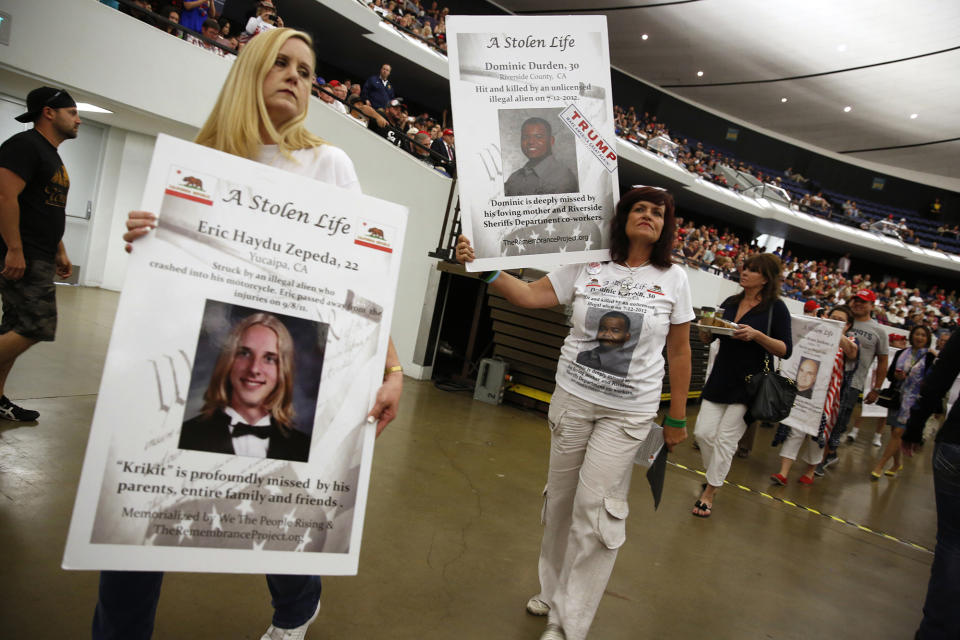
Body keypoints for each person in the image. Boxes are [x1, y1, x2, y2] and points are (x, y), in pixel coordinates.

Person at [95, 28, 403, 640]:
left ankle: (295, 610)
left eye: (307, 72)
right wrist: (145, 237)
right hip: (194, 358)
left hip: (293, 348)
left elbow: (367, 274)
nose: (295, 75)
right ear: (249, 72)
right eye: (281, 63)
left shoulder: (327, 163)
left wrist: (392, 370)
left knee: (281, 497)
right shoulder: (197, 162)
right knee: (134, 522)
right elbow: (169, 283)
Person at [456, 185, 694, 640]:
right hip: (572, 400)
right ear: (622, 217)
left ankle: (568, 623)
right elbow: (528, 295)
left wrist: (677, 418)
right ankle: (552, 590)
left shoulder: (674, 279)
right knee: (562, 502)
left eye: (657, 213)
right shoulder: (589, 261)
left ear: (666, 226)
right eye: (639, 209)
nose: (648, 216)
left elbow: (680, 353)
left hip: (629, 413)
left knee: (596, 510)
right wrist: (483, 270)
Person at [693, 253, 792, 517]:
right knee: (703, 433)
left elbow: (785, 349)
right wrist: (705, 329)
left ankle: (710, 491)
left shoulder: (776, 308)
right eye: (744, 268)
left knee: (726, 439)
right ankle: (714, 475)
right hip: (721, 376)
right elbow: (708, 338)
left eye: (752, 270)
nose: (744, 272)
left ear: (766, 278)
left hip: (750, 383)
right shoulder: (731, 301)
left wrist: (757, 335)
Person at [0, 87, 78, 422]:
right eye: (72, 112)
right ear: (49, 112)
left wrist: (59, 249)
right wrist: (15, 250)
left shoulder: (50, 154)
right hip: (23, 253)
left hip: (40, 252)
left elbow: (46, 205)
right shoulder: (24, 146)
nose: (78, 119)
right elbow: (5, 197)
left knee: (14, 326)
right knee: (36, 325)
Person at [179, 312, 311, 462]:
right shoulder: (185, 435)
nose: (254, 369)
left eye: (269, 359)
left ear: (283, 371)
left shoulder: (304, 447)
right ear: (228, 361)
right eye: (245, 353)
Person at [901, 328, 960, 639]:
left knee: (952, 543)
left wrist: (914, 426)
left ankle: (935, 631)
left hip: (956, 443)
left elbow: (940, 377)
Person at [773, 305, 858, 485]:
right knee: (794, 428)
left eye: (841, 320)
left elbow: (852, 353)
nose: (835, 321)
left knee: (817, 435)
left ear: (848, 325)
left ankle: (810, 471)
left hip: (827, 398)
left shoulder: (850, 341)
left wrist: (834, 330)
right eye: (832, 317)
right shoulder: (816, 332)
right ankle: (783, 472)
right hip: (804, 389)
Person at [870, 325, 934, 479]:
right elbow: (890, 375)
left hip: (914, 401)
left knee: (898, 432)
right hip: (897, 397)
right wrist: (897, 377)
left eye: (923, 335)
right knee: (895, 433)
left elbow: (932, 380)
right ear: (911, 336)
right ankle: (897, 463)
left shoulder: (930, 357)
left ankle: (880, 466)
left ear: (927, 339)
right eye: (917, 334)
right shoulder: (901, 353)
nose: (919, 337)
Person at [840, 290, 889, 449]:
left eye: (863, 301)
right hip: (829, 377)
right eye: (856, 300)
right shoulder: (842, 320)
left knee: (839, 422)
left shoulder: (879, 331)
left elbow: (883, 361)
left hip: (853, 383)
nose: (858, 303)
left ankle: (828, 454)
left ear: (872, 306)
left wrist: (876, 388)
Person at [503, 117, 578, 197]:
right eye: (525, 137)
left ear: (551, 141)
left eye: (538, 137)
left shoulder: (562, 177)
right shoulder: (514, 177)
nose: (531, 142)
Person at [575, 310, 633, 377]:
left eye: (615, 331)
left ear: (627, 337)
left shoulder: (629, 364)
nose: (607, 334)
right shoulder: (583, 356)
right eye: (602, 329)